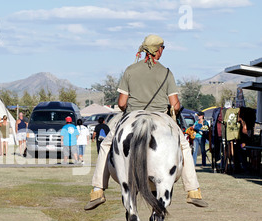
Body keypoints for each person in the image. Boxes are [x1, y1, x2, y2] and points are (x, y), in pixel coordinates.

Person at [84, 34, 208, 210]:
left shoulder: (130, 70)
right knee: (184, 146)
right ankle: (193, 191)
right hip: (161, 116)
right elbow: (175, 104)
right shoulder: (166, 72)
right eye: (162, 48)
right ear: (157, 50)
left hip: (132, 115)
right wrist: (175, 108)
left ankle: (98, 190)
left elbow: (121, 103)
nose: (163, 51)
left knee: (106, 145)